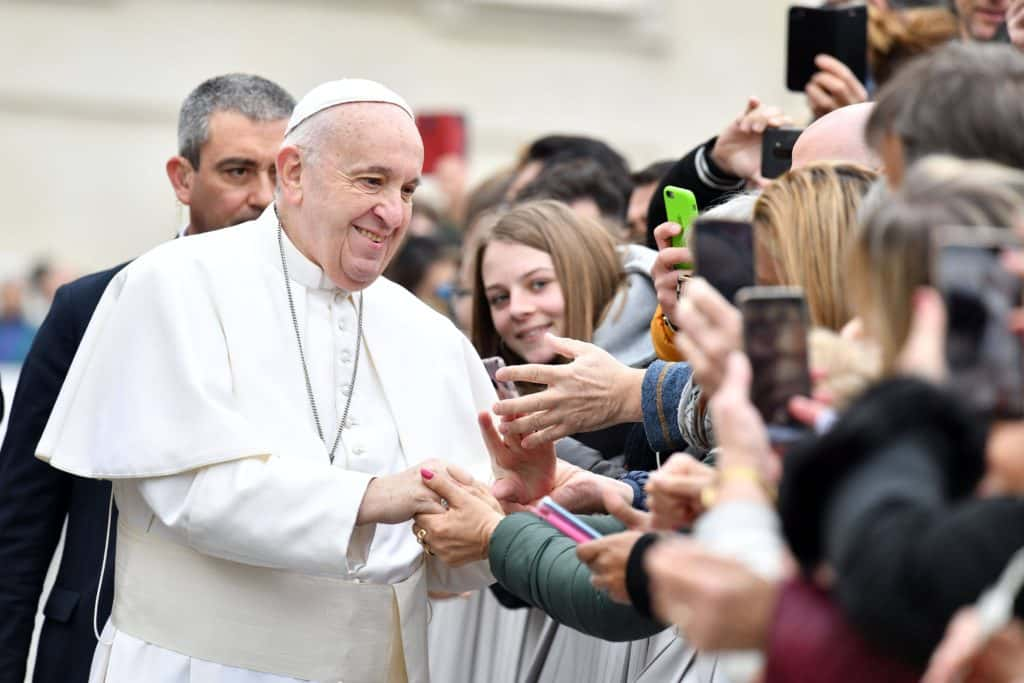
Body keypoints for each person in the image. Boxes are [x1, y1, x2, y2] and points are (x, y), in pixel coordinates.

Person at [0, 73, 294, 683]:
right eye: (238, 171)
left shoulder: (324, 323)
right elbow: (21, 520)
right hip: (96, 640)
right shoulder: (89, 307)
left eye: (281, 174)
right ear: (183, 179)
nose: (263, 197)